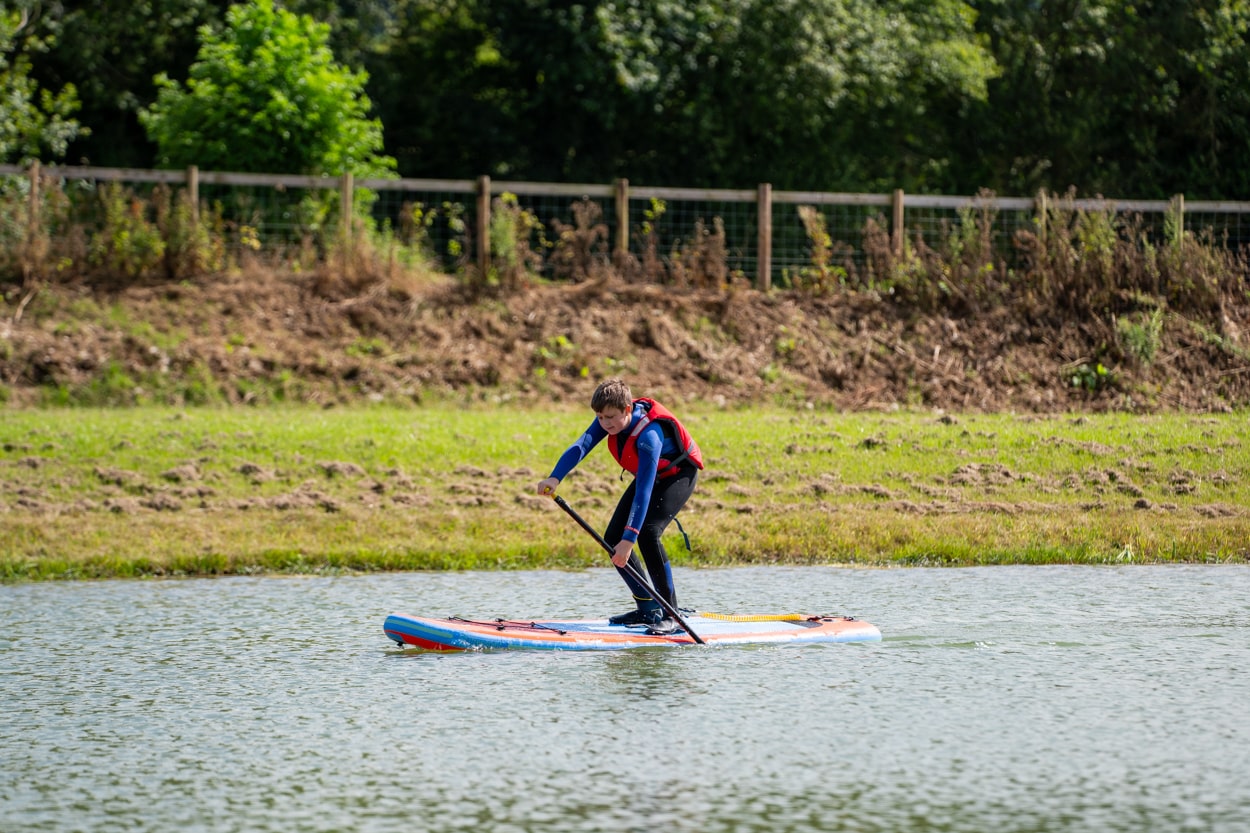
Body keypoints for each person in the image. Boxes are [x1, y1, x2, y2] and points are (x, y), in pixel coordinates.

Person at [537, 378, 704, 635]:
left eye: (611, 418)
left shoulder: (649, 435)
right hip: (653, 477)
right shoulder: (610, 416)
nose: (605, 424)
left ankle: (672, 614)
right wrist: (555, 476)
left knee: (647, 534)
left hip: (678, 476)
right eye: (600, 418)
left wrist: (630, 539)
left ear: (627, 409)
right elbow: (581, 445)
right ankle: (648, 608)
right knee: (612, 538)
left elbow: (644, 489)